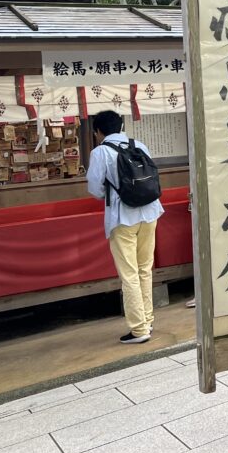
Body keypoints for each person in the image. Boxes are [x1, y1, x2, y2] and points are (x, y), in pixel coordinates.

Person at [87, 110, 164, 343]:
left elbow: (94, 189)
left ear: (98, 132)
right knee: (144, 268)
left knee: (129, 274)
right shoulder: (139, 144)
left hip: (122, 217)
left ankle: (139, 329)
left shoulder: (100, 152)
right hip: (150, 212)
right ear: (121, 126)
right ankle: (147, 320)